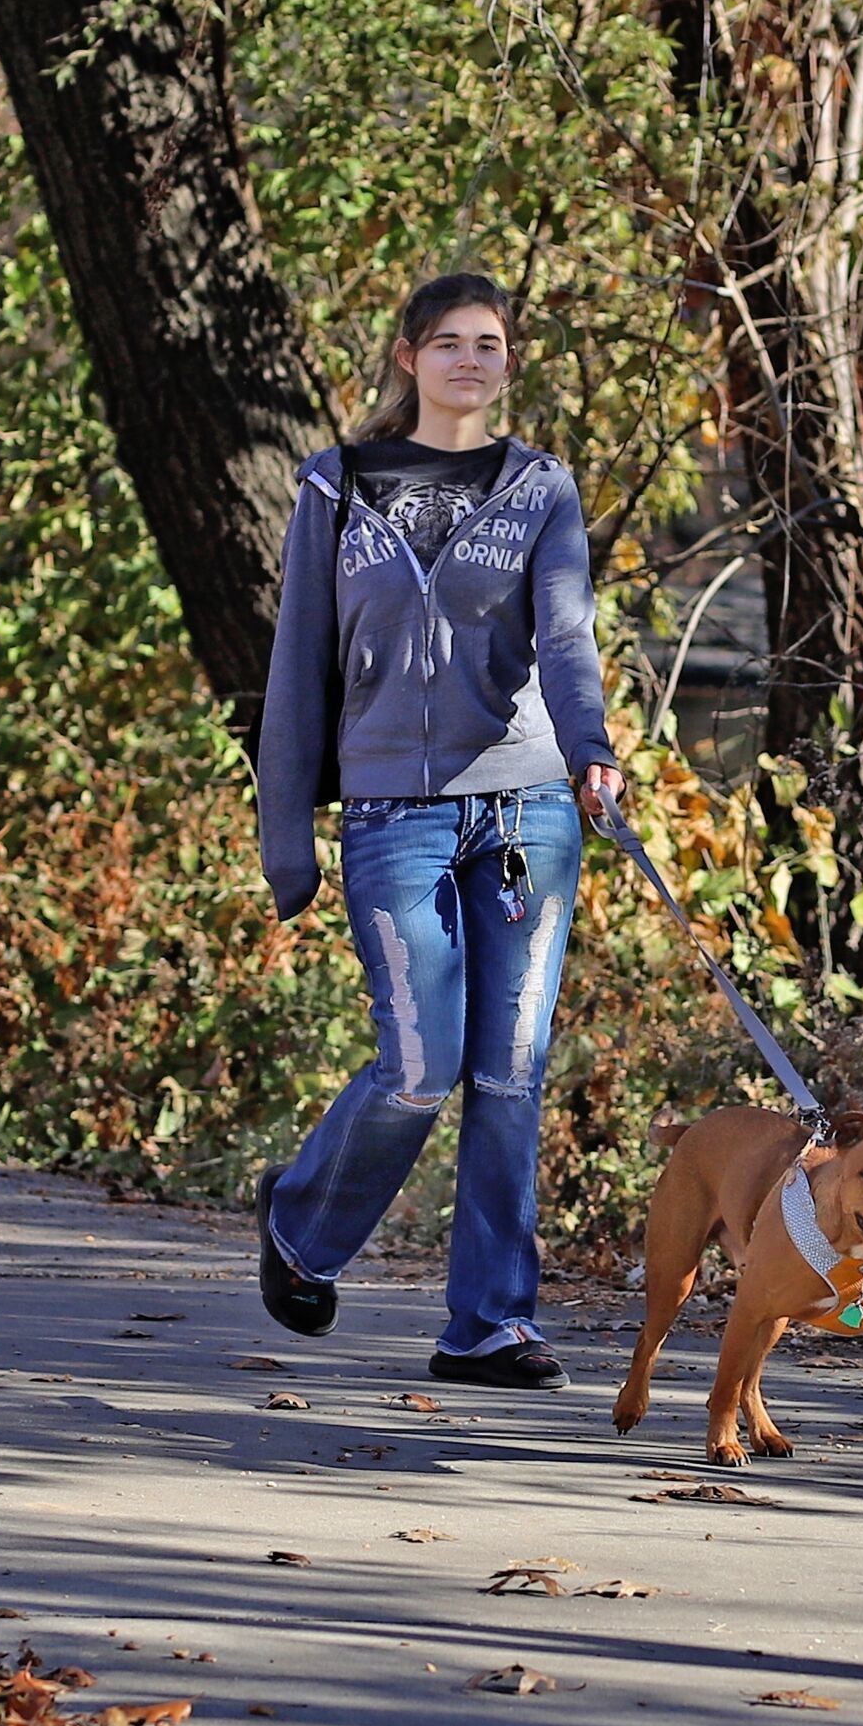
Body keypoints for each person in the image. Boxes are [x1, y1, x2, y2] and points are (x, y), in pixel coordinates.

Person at [249, 272, 627, 1388]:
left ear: (508, 362)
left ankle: (488, 1324)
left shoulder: (540, 488)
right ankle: (301, 1225)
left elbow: (566, 638)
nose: (471, 358)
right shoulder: (335, 488)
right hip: (387, 816)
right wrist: (287, 836)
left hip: (527, 812)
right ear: (408, 356)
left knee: (508, 1068)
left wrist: (589, 746)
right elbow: (296, 672)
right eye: (449, 341)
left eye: (491, 343)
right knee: (420, 1064)